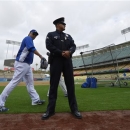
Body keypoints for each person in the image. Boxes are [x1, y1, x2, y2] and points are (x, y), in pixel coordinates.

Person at [42, 17, 82, 120]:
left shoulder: (68, 36)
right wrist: (61, 52)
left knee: (70, 86)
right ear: (57, 24)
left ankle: (74, 110)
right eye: (63, 24)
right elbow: (48, 46)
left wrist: (70, 52)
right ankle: (50, 111)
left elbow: (73, 45)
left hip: (67, 61)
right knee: (53, 86)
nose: (65, 25)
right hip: (56, 61)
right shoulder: (50, 35)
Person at [0, 30, 45, 112]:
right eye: (33, 34)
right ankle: (0, 103)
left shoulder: (30, 40)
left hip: (27, 65)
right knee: (14, 82)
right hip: (21, 64)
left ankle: (35, 100)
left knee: (30, 83)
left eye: (36, 35)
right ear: (29, 33)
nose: (34, 35)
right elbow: (31, 48)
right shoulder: (28, 38)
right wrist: (41, 56)